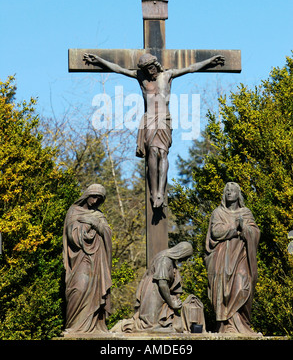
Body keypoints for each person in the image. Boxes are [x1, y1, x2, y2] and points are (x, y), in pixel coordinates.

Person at [84, 52, 224, 208]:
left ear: (156, 65)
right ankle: (153, 192)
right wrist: (99, 60)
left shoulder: (168, 75)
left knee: (163, 153)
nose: (149, 71)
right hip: (150, 119)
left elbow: (191, 68)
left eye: (150, 67)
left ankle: (160, 192)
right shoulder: (141, 78)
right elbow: (118, 69)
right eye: (146, 69)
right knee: (152, 152)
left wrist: (210, 61)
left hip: (165, 119)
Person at [205, 182, 261, 335]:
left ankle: (241, 323)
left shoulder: (246, 212)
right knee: (224, 290)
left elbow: (255, 232)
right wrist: (235, 228)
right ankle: (227, 325)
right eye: (227, 190)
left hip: (241, 255)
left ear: (238, 194)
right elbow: (216, 232)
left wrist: (245, 228)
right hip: (222, 257)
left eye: (233, 190)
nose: (229, 193)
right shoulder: (218, 212)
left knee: (243, 285)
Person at [111, 242, 193, 333]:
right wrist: (171, 303)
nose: (184, 260)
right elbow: (162, 283)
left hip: (160, 292)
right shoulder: (165, 259)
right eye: (185, 257)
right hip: (154, 291)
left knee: (164, 326)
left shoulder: (169, 260)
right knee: (149, 326)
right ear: (182, 253)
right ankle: (123, 325)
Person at [62, 184, 112, 335]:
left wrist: (98, 226)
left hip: (97, 260)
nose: (96, 201)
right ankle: (74, 326)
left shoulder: (99, 215)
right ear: (87, 195)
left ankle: (94, 326)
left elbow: (107, 233)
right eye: (94, 196)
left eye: (100, 199)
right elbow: (72, 235)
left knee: (95, 291)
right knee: (78, 288)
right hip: (79, 258)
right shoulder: (74, 211)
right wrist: (88, 227)